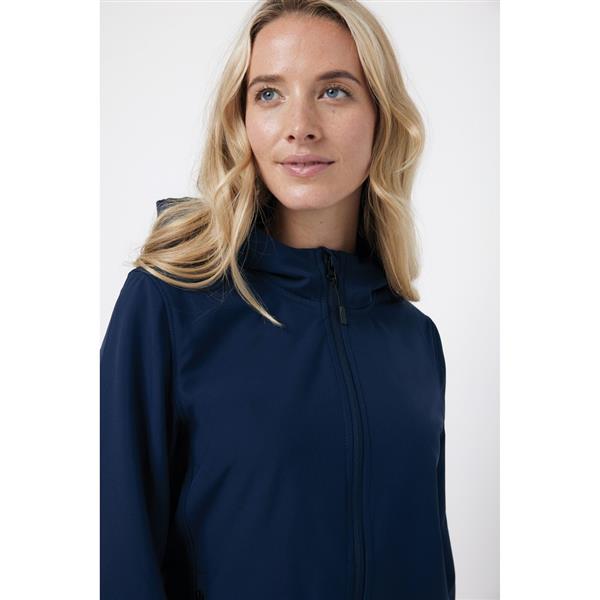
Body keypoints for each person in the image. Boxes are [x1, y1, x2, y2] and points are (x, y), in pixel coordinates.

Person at [100, 1, 456, 599]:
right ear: (241, 122)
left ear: (382, 117)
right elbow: (117, 553)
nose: (300, 126)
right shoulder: (170, 304)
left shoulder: (414, 340)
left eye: (334, 91)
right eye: (269, 94)